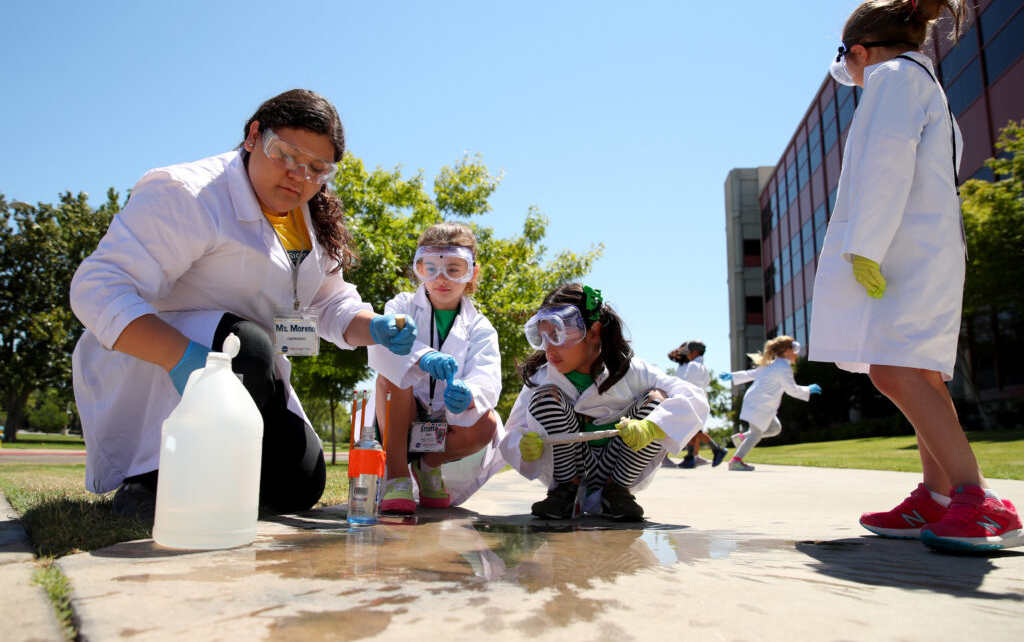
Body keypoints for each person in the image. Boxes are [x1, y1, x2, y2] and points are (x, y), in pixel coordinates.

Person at [70, 89, 416, 521]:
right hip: (158, 366)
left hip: (252, 372)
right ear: (254, 136)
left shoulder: (310, 221)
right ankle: (154, 482)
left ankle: (222, 484)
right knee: (247, 346)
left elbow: (330, 304)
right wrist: (182, 359)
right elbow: (97, 287)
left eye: (316, 168)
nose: (298, 176)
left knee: (301, 481)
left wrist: (376, 325)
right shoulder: (188, 193)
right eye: (285, 154)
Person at [808, 0, 1022, 552]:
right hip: (924, 250)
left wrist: (865, 247)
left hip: (903, 251)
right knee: (917, 370)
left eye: (847, 64)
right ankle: (937, 495)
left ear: (858, 52)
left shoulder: (892, 79)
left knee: (892, 369)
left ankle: (981, 501)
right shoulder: (921, 83)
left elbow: (885, 165)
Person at [500, 284, 709, 521]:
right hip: (569, 465)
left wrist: (653, 426)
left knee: (659, 398)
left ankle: (616, 492)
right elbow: (511, 431)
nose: (549, 348)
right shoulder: (543, 377)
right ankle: (566, 490)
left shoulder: (631, 370)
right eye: (543, 336)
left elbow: (695, 397)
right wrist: (524, 446)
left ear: (594, 331)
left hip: (619, 463)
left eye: (558, 335)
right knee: (545, 396)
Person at [368, 222, 503, 513]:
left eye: (454, 269)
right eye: (430, 268)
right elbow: (383, 349)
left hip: (445, 425)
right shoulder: (401, 305)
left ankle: (428, 466)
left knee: (488, 423)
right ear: (418, 268)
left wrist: (470, 394)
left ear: (472, 273)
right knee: (393, 375)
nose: (441, 278)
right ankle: (397, 477)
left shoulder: (480, 327)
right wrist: (421, 357)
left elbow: (487, 377)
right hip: (396, 421)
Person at [720, 336, 820, 471]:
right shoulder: (782, 368)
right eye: (794, 348)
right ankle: (735, 461)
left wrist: (734, 375)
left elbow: (752, 373)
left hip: (760, 404)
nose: (796, 352)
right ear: (786, 351)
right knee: (756, 433)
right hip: (759, 404)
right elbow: (792, 390)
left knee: (775, 428)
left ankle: (742, 438)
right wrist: (808, 389)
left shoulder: (773, 365)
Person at [667, 341, 727, 468]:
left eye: (688, 352)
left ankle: (717, 449)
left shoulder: (693, 365)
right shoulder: (703, 367)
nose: (687, 355)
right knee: (692, 430)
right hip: (701, 400)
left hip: (692, 401)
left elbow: (686, 383)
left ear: (695, 352)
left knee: (693, 430)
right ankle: (690, 458)